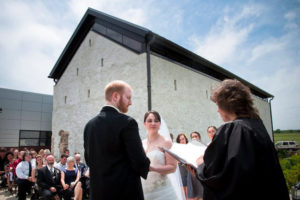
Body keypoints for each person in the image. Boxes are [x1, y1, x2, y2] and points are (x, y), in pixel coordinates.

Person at [186, 79, 290, 200]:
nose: (217, 110)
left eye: (218, 105)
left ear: (227, 104)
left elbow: (222, 178)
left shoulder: (234, 130)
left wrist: (200, 165)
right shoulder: (257, 126)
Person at [84, 80, 150, 200]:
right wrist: (146, 163)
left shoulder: (89, 125)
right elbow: (139, 160)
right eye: (128, 98)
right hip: (124, 192)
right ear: (116, 96)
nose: (130, 102)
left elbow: (89, 160)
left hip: (98, 192)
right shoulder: (127, 122)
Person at [141, 111, 179, 199]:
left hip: (162, 190)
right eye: (149, 121)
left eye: (156, 120)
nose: (153, 123)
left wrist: (152, 168)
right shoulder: (141, 143)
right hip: (144, 189)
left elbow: (173, 167)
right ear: (144, 124)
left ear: (160, 124)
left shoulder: (166, 142)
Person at [187, 132, 203, 200]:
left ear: (199, 137)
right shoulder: (188, 149)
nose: (194, 138)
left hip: (201, 172)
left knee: (202, 193)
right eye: (192, 137)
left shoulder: (203, 147)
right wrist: (183, 164)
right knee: (193, 194)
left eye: (196, 136)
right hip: (191, 173)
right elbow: (182, 163)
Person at [176, 134, 188, 198]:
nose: (182, 141)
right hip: (183, 167)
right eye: (180, 140)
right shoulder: (178, 149)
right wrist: (184, 164)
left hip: (191, 168)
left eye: (183, 139)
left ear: (186, 139)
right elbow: (178, 161)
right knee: (184, 185)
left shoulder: (190, 147)